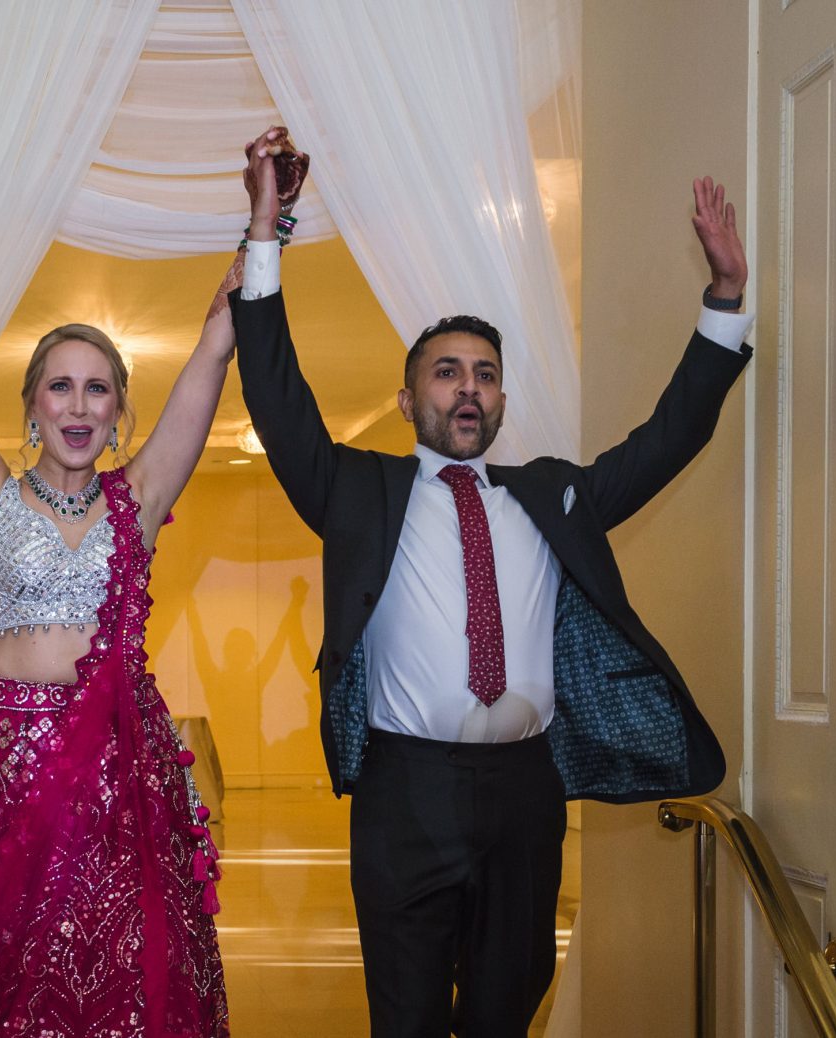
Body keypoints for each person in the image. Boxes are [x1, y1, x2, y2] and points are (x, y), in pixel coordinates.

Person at [229, 130, 754, 1037]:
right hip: (405, 791)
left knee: (506, 1011)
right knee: (406, 1016)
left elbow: (671, 436)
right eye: (446, 373)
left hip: (524, 791)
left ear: (502, 400)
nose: (468, 390)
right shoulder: (359, 491)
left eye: (485, 375)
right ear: (408, 402)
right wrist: (266, 232)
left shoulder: (552, 494)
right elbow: (278, 397)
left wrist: (726, 300)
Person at [0, 91, 301, 1037]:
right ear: (32, 406)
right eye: (61, 385)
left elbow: (217, 348)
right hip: (4, 766)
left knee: (109, 994)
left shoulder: (140, 497)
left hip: (114, 779)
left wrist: (266, 224)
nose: (80, 404)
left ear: (121, 412)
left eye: (99, 389)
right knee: (0, 986)